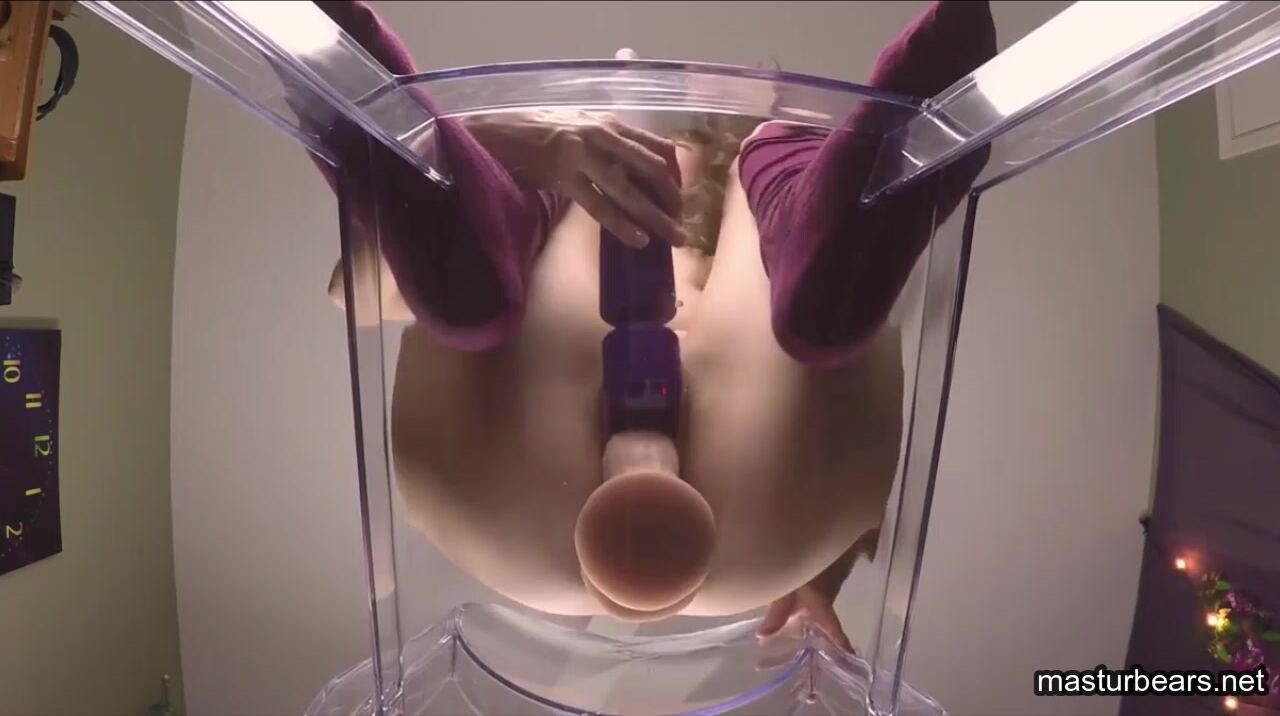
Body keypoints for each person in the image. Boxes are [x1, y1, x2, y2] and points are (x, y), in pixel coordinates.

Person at [309, 0, 995, 649]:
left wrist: (518, 143)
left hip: (511, 503)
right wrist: (816, 577)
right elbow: (356, 290)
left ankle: (473, 226)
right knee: (757, 192)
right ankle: (792, 183)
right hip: (763, 529)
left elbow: (356, 292)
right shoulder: (708, 201)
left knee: (550, 196)